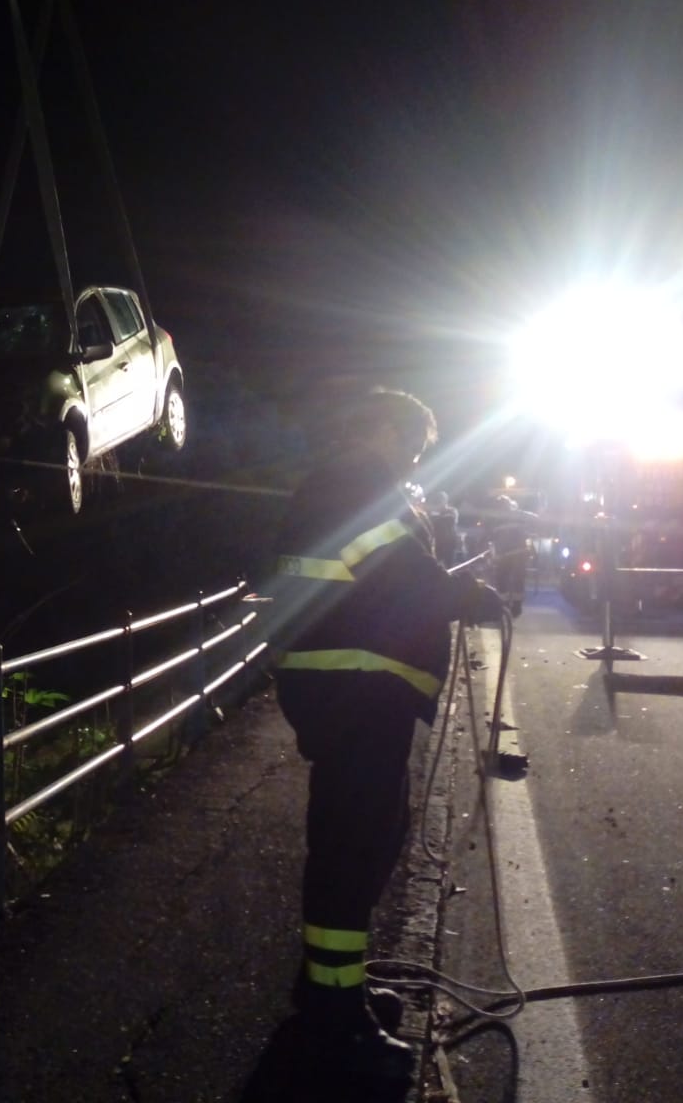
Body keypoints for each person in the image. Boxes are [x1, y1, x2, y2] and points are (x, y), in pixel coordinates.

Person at [268, 387, 506, 1088]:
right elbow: (403, 579)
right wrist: (466, 593)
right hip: (356, 691)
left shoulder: (342, 487)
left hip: (349, 689)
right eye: (411, 443)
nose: (413, 458)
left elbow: (381, 581)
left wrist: (449, 584)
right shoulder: (358, 488)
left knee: (365, 841)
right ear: (383, 428)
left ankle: (331, 989)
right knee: (352, 850)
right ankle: (333, 1021)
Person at [489, 495, 540, 617]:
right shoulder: (518, 515)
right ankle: (513, 606)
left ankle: (507, 605)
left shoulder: (497, 518)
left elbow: (490, 538)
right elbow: (536, 519)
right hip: (516, 553)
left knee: (506, 578)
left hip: (511, 553)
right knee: (516, 579)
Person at [426, 489, 463, 568]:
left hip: (450, 543)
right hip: (439, 543)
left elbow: (451, 520)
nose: (440, 502)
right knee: (438, 565)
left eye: (442, 499)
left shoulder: (452, 510)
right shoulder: (433, 513)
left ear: (446, 500)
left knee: (449, 565)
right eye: (438, 500)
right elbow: (431, 523)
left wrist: (438, 518)